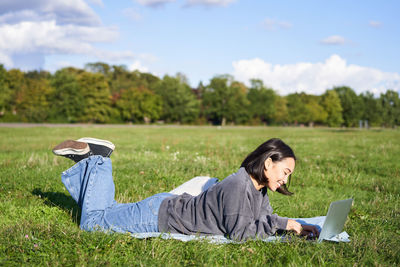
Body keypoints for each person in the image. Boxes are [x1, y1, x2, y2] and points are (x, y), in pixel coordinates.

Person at [53, 137, 319, 241]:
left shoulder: (258, 188)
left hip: (166, 207)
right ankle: (97, 159)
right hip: (160, 216)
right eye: (285, 172)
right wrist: (287, 229)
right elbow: (241, 233)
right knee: (94, 224)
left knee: (106, 213)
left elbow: (263, 220)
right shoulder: (239, 185)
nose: (286, 180)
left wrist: (291, 224)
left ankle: (90, 160)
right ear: (268, 162)